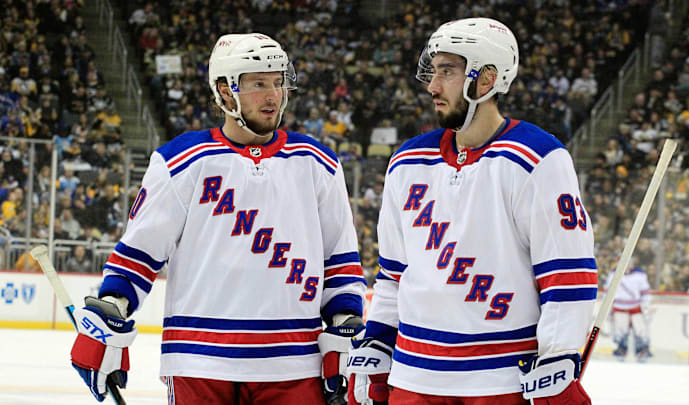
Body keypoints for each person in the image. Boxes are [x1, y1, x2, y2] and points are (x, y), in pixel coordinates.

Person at [68, 33, 366, 405]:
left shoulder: (318, 163)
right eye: (258, 84)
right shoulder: (180, 161)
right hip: (198, 362)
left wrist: (347, 322)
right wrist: (110, 309)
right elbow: (140, 254)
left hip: (293, 363)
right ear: (225, 90)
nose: (273, 95)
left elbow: (339, 259)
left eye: (277, 82)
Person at [347, 18, 596, 405]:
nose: (432, 86)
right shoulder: (407, 161)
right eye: (434, 71)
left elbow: (567, 278)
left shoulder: (538, 158)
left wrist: (558, 356)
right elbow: (393, 275)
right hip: (414, 376)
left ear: (486, 79)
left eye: (447, 71)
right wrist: (377, 343)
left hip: (500, 380)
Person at [606, 266, 652, 362]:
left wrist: (646, 306)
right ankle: (622, 349)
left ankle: (642, 350)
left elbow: (645, 292)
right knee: (621, 331)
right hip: (619, 307)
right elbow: (608, 292)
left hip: (635, 307)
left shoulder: (640, 274)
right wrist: (608, 308)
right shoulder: (613, 274)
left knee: (640, 330)